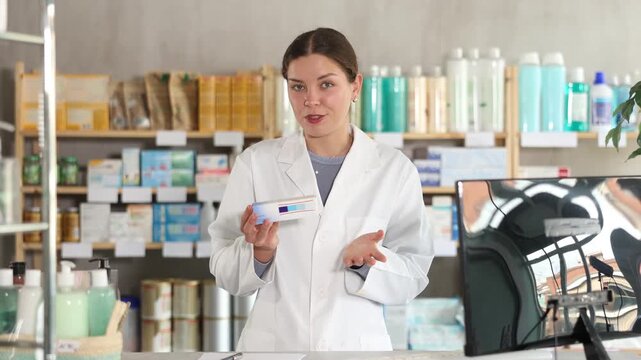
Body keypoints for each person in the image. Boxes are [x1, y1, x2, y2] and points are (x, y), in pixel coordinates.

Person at [209, 27, 433, 352]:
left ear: (355, 86)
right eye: (298, 87)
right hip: (274, 348)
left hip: (356, 348)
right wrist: (259, 254)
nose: (310, 100)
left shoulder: (393, 170)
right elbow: (223, 268)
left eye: (326, 84)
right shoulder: (256, 164)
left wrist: (367, 264)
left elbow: (414, 273)